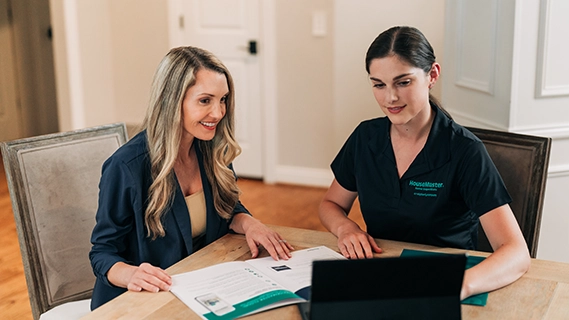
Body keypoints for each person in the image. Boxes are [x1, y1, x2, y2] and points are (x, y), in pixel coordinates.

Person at [318, 26, 530, 300]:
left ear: (432, 75)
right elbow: (330, 204)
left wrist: (456, 285)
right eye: (379, 84)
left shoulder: (465, 151)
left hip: (446, 281)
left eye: (403, 82)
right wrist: (345, 228)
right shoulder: (365, 138)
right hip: (382, 279)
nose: (390, 98)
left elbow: (516, 253)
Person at [89, 46, 293, 310]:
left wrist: (251, 224)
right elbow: (102, 252)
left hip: (196, 290)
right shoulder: (126, 167)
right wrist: (131, 274)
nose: (219, 113)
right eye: (205, 100)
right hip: (138, 302)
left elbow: (228, 209)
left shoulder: (212, 149)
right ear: (171, 100)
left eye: (223, 100)